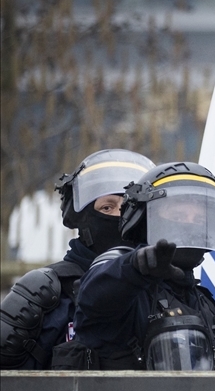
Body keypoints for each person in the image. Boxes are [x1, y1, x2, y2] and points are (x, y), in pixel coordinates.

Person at [57, 162, 215, 371]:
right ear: (143, 220)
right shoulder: (128, 287)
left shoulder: (203, 301)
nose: (190, 225)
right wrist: (134, 268)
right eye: (178, 216)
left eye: (199, 219)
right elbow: (93, 298)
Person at [0, 149, 154, 369]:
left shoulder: (163, 288)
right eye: (107, 207)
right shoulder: (47, 294)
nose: (122, 217)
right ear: (83, 220)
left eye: (130, 207)